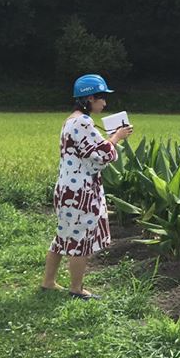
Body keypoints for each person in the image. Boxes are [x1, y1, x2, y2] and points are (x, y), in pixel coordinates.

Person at [40, 74, 133, 300]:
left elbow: (89, 150)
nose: (104, 103)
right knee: (80, 239)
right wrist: (117, 137)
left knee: (63, 236)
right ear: (90, 98)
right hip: (80, 191)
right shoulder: (83, 122)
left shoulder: (71, 120)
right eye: (102, 98)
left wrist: (109, 139)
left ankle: (49, 281)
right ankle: (76, 288)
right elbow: (103, 154)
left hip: (68, 188)